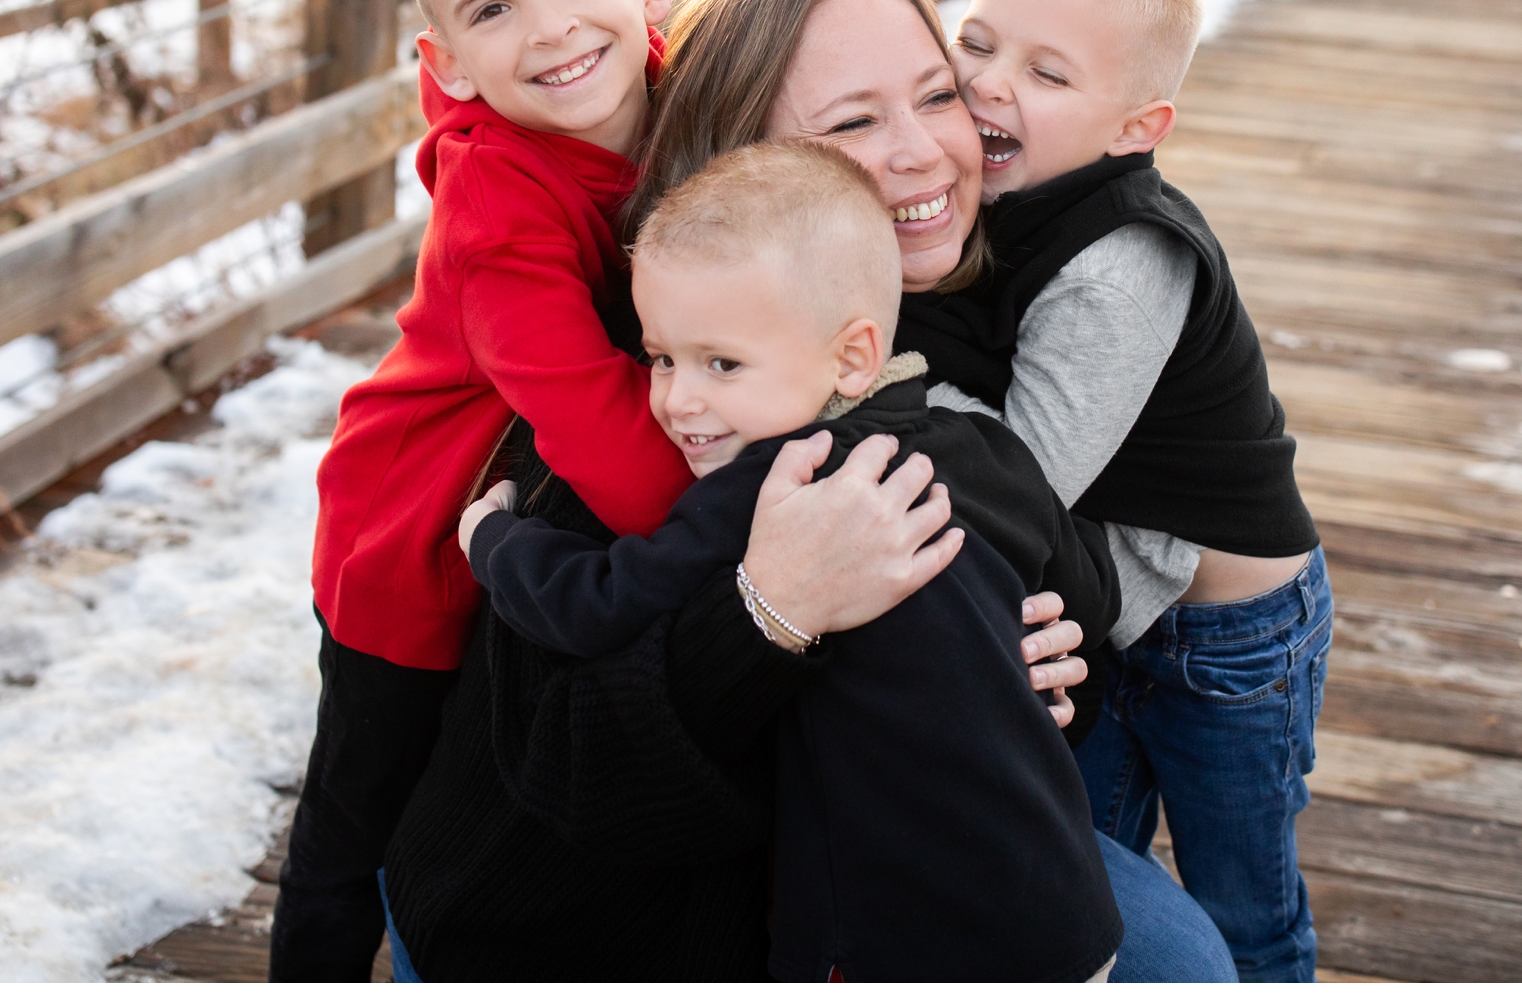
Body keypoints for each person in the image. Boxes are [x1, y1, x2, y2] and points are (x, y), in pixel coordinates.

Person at [381, 0, 1235, 982]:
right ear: (741, 160)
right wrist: (769, 610)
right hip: (586, 913)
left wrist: (1022, 671)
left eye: (935, 95)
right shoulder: (651, 387)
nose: (925, 151)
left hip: (848, 859)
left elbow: (1041, 608)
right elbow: (588, 776)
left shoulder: (948, 322)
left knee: (1176, 961)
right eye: (853, 123)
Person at [461, 140, 1122, 981]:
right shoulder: (980, 446)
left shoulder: (784, 478)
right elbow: (1089, 586)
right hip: (1064, 914)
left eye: (721, 363)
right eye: (662, 358)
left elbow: (605, 604)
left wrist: (495, 539)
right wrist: (1047, 635)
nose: (677, 399)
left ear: (852, 355)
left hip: (900, 941)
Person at [270, 0, 699, 979]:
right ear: (448, 57)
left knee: (480, 781)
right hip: (411, 541)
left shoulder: (686, 101)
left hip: (514, 525)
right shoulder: (498, 205)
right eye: (493, 8)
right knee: (354, 821)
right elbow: (604, 439)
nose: (553, 27)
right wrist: (755, 532)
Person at [895, 0, 1329, 982]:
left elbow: (1025, 475)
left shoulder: (1125, 259)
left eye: (1048, 74)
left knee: (1243, 898)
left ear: (1138, 126)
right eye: (980, 41)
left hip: (1231, 641)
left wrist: (891, 377)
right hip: (1107, 604)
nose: (991, 85)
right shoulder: (997, 193)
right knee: (1081, 867)